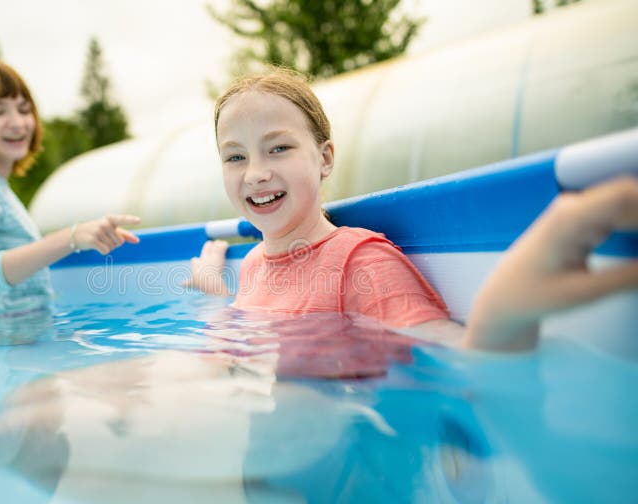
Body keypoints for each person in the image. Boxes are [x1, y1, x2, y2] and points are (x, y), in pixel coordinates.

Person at [186, 67, 638, 351]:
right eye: (235, 157)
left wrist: (502, 315)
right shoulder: (252, 266)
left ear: (324, 158)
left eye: (278, 148)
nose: (256, 173)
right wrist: (214, 294)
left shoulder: (357, 263)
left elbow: (458, 356)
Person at [0, 60, 140, 344]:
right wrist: (72, 236)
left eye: (24, 109)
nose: (18, 122)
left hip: (20, 353)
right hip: (1, 366)